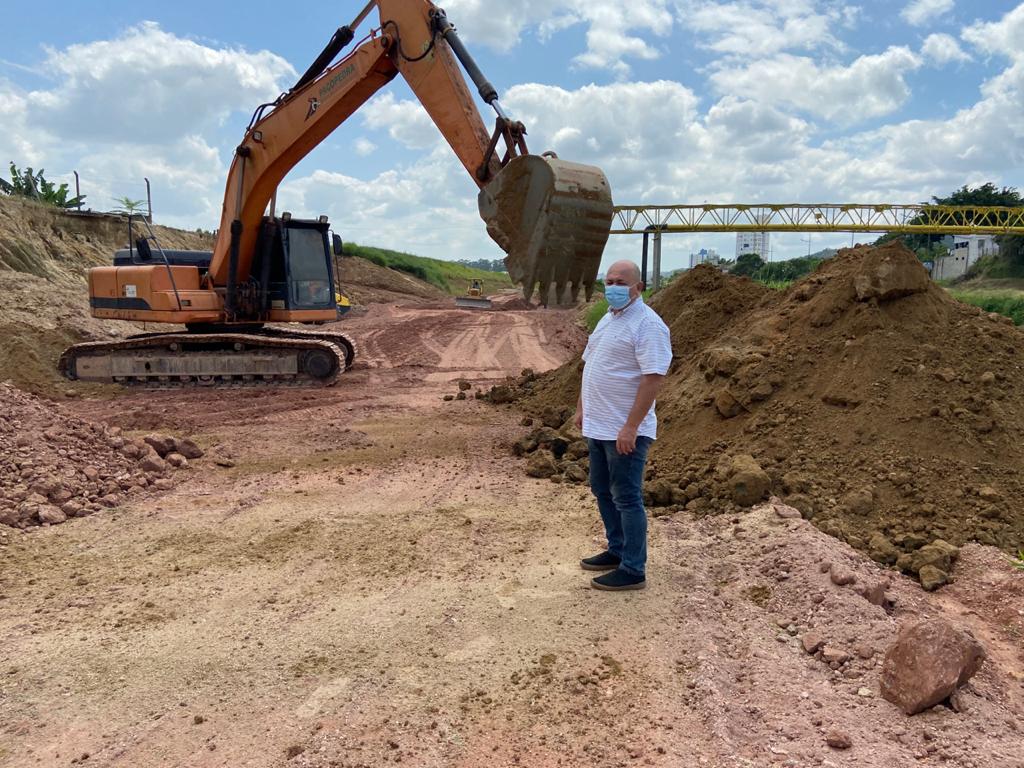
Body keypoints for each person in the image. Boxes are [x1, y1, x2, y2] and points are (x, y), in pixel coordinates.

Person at [574, 260, 671, 591]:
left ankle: (633, 568)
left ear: (638, 288)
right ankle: (617, 550)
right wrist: (581, 407)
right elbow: (590, 366)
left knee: (627, 496)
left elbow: (653, 378)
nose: (612, 288)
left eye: (621, 282)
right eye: (609, 281)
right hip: (598, 426)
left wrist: (631, 426)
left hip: (624, 430)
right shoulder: (607, 319)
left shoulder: (648, 325)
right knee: (602, 490)